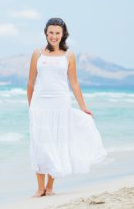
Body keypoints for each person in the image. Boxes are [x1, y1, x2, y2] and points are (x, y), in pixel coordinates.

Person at [27, 17, 107, 197]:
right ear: (46, 33)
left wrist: (83, 107)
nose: (53, 36)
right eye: (51, 33)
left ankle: (50, 187)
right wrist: (31, 106)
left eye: (57, 33)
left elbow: (74, 83)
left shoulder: (68, 55)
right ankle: (40, 188)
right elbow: (31, 83)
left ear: (63, 34)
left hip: (60, 103)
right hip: (40, 104)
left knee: (57, 142)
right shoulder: (37, 54)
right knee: (40, 144)